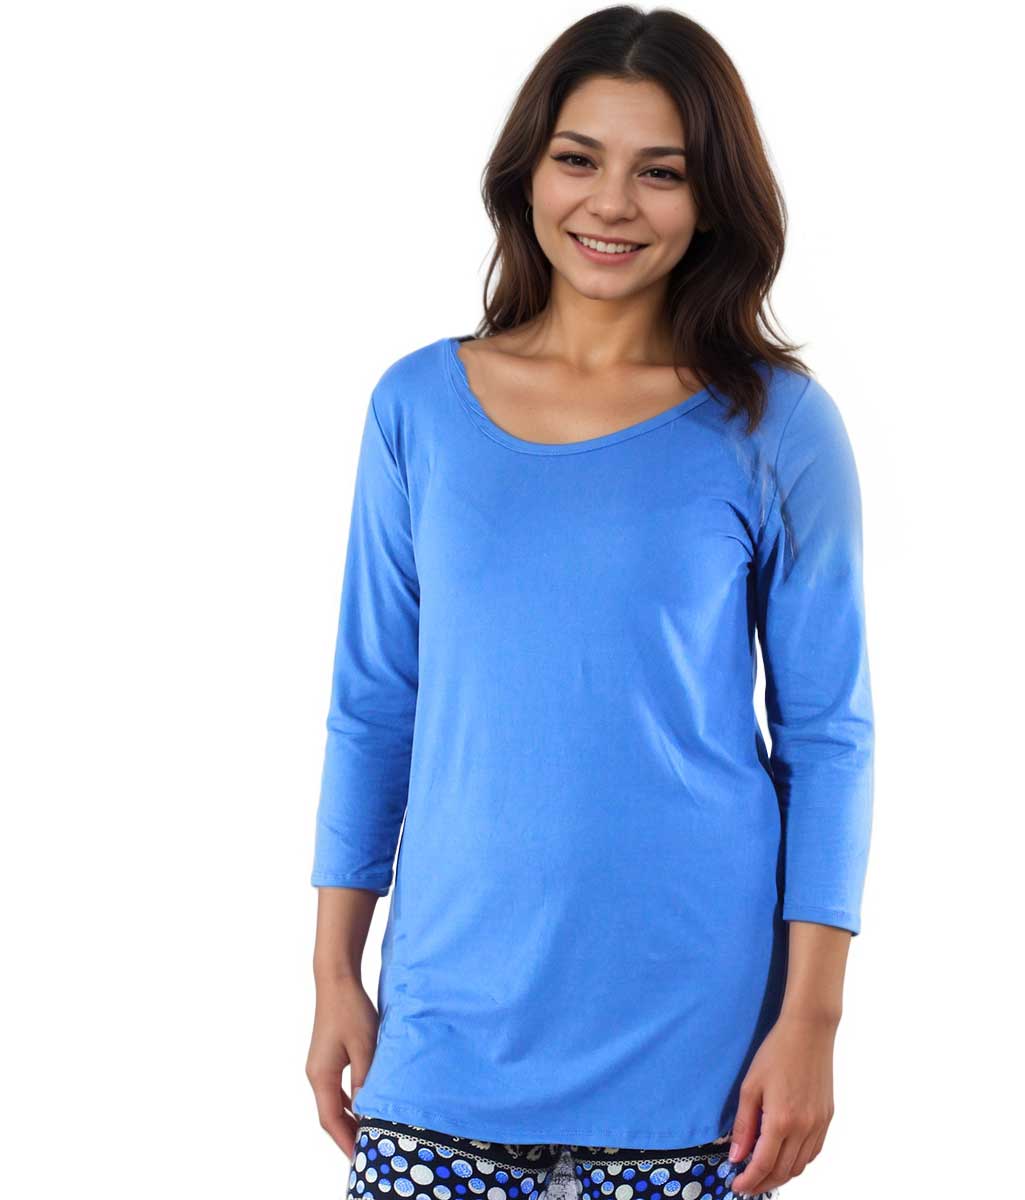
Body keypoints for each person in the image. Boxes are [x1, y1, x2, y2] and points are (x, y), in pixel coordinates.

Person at [304, 8, 875, 1200]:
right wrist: (333, 973)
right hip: (448, 1030)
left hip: (697, 1048)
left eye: (661, 171)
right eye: (580, 158)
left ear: (711, 199)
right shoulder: (417, 408)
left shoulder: (777, 425)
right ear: (527, 173)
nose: (612, 203)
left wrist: (811, 1020)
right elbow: (373, 709)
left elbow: (828, 736)